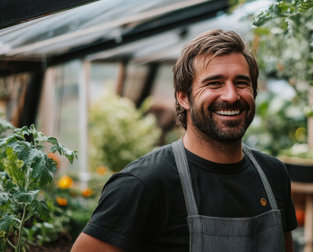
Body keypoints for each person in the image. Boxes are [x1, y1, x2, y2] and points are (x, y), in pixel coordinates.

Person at [71, 29, 297, 252]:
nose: (231, 96)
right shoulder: (144, 183)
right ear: (183, 97)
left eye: (241, 83)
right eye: (214, 83)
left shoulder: (272, 174)